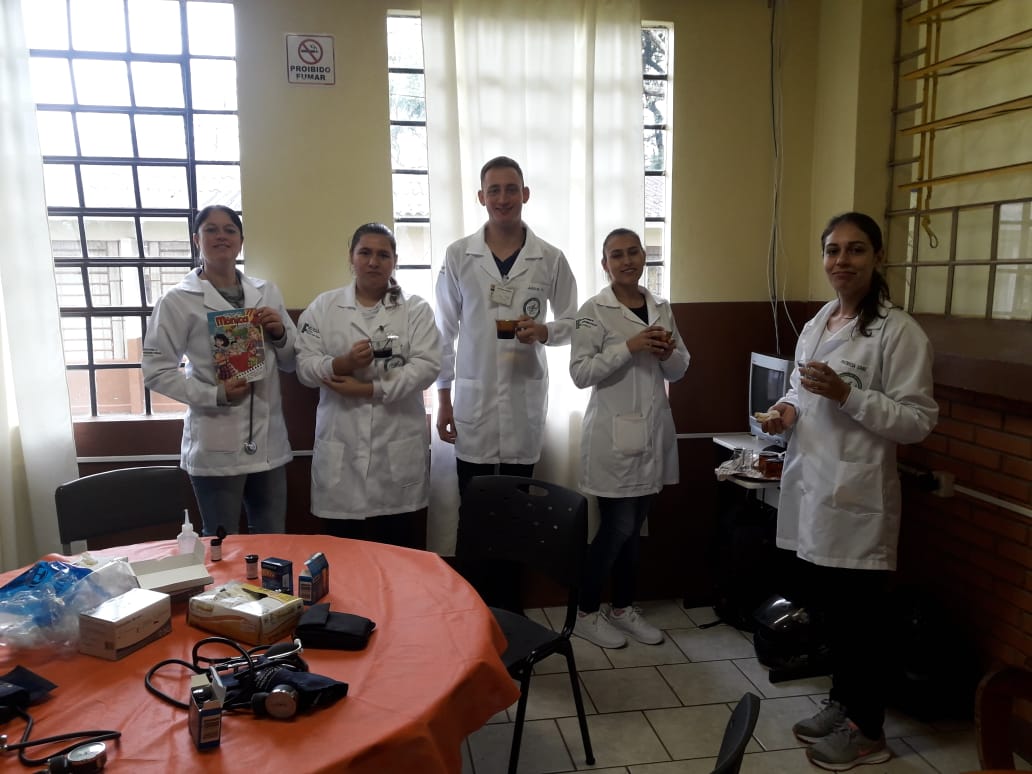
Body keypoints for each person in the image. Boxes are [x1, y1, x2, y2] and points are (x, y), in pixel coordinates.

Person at [760, 212, 938, 771]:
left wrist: (848, 396)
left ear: (878, 257)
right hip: (814, 492)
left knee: (862, 623)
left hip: (858, 502)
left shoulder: (899, 332)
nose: (842, 261)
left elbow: (917, 421)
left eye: (856, 249)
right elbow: (800, 388)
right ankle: (843, 703)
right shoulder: (819, 323)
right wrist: (785, 410)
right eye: (833, 250)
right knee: (832, 615)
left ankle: (869, 732)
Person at [435, 156, 578, 610]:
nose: (502, 198)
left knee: (517, 513)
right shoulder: (459, 255)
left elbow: (574, 321)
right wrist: (443, 399)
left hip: (522, 401)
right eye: (493, 190)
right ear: (481, 197)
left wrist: (546, 331)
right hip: (473, 401)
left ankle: (510, 613)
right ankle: (473, 612)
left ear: (525, 194)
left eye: (511, 188)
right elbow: (444, 332)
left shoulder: (549, 258)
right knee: (474, 510)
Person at [143, 205, 296, 535]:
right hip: (216, 444)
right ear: (196, 239)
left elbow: (291, 361)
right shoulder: (177, 300)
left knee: (273, 540)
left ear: (241, 240)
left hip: (268, 442)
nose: (221, 236)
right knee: (222, 543)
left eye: (229, 230)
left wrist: (280, 333)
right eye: (211, 230)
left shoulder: (266, 292)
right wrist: (215, 394)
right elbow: (155, 371)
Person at [569, 228, 689, 649]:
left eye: (633, 252)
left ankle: (621, 608)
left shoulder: (661, 307)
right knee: (617, 528)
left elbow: (680, 369)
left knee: (634, 529)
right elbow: (580, 373)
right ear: (605, 264)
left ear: (643, 257)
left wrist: (667, 353)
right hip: (612, 439)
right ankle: (585, 611)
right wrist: (629, 346)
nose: (626, 261)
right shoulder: (592, 310)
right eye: (616, 255)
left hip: (651, 435)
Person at [296, 223, 441, 548]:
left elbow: (427, 367)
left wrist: (369, 389)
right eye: (365, 253)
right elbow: (304, 366)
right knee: (344, 559)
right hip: (341, 456)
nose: (373, 262)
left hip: (395, 453)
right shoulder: (324, 307)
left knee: (397, 554)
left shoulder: (415, 309)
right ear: (351, 257)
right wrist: (341, 364)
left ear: (394, 261)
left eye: (383, 255)